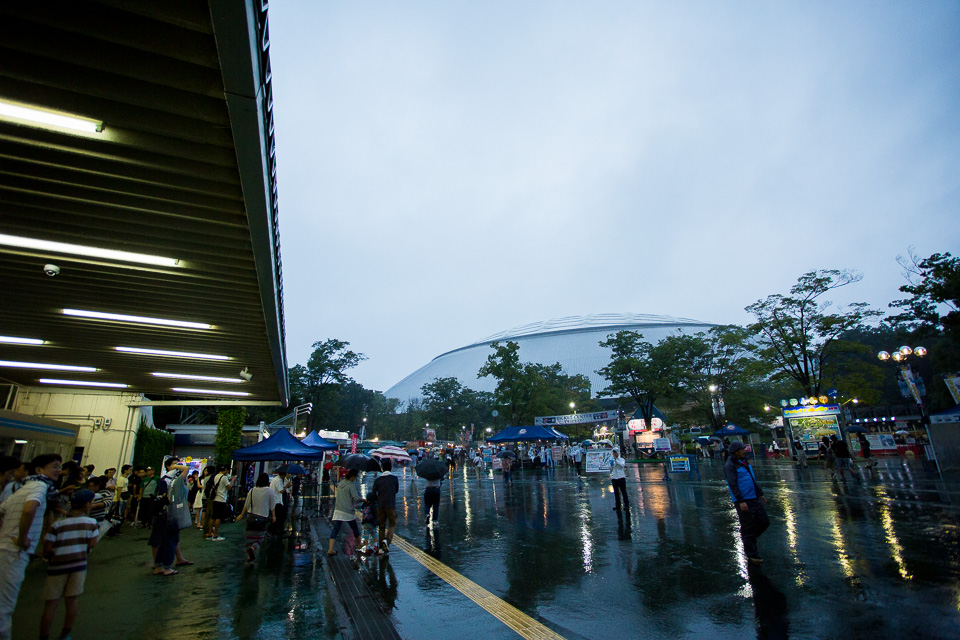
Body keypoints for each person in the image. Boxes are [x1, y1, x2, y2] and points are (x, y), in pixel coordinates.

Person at [0, 453, 62, 640]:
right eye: (54, 466)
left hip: (4, 548)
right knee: (4, 607)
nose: (59, 470)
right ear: (39, 470)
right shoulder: (40, 486)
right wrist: (21, 538)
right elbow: (30, 508)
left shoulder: (22, 487)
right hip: (14, 553)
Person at [38, 488, 99, 640]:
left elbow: (47, 548)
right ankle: (66, 633)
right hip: (78, 565)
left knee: (51, 603)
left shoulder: (58, 524)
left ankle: (44, 635)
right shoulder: (92, 523)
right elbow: (91, 544)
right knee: (71, 600)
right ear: (86, 504)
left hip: (57, 566)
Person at [724, 442, 769, 564]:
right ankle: (752, 554)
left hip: (754, 497)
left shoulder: (744, 461)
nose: (745, 450)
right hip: (744, 500)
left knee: (764, 521)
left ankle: (748, 539)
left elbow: (751, 478)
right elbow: (732, 484)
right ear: (735, 451)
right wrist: (740, 501)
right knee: (748, 526)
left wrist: (760, 493)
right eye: (742, 449)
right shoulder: (730, 465)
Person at [237, 473, 277, 562]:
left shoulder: (252, 490)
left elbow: (246, 504)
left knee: (250, 537)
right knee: (260, 537)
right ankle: (253, 548)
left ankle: (249, 555)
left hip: (251, 516)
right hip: (262, 516)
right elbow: (272, 505)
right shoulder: (269, 491)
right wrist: (273, 516)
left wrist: (241, 514)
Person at [327, 469, 361, 556]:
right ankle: (359, 545)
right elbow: (356, 498)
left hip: (338, 509)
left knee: (335, 530)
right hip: (347, 511)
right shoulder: (350, 485)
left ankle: (330, 549)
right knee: (355, 528)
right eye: (355, 477)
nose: (355, 479)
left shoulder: (340, 483)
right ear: (353, 476)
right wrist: (363, 500)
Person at [372, 459, 399, 554]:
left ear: (382, 469)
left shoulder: (378, 480)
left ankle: (380, 548)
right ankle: (387, 541)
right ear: (391, 468)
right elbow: (396, 490)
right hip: (391, 504)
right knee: (392, 523)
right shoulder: (394, 478)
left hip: (380, 505)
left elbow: (373, 493)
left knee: (381, 526)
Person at [209, 464, 234, 541]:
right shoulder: (224, 477)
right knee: (218, 517)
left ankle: (210, 533)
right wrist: (232, 480)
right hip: (221, 498)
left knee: (213, 516)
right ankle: (216, 535)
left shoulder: (216, 476)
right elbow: (228, 487)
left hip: (215, 498)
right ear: (225, 470)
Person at [269, 470, 291, 536]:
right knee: (278, 516)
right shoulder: (279, 480)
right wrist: (287, 485)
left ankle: (275, 529)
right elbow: (281, 490)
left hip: (275, 500)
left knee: (277, 516)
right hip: (277, 500)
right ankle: (272, 529)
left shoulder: (275, 479)